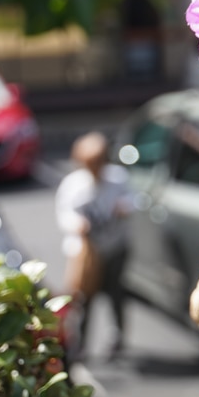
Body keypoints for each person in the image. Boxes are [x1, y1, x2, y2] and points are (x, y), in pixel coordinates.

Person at [56, 131, 133, 360]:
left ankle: (117, 337)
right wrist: (76, 224)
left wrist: (124, 207)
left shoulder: (117, 179)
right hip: (86, 253)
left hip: (115, 248)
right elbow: (63, 213)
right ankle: (80, 345)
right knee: (83, 299)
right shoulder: (74, 186)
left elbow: (135, 199)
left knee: (115, 294)